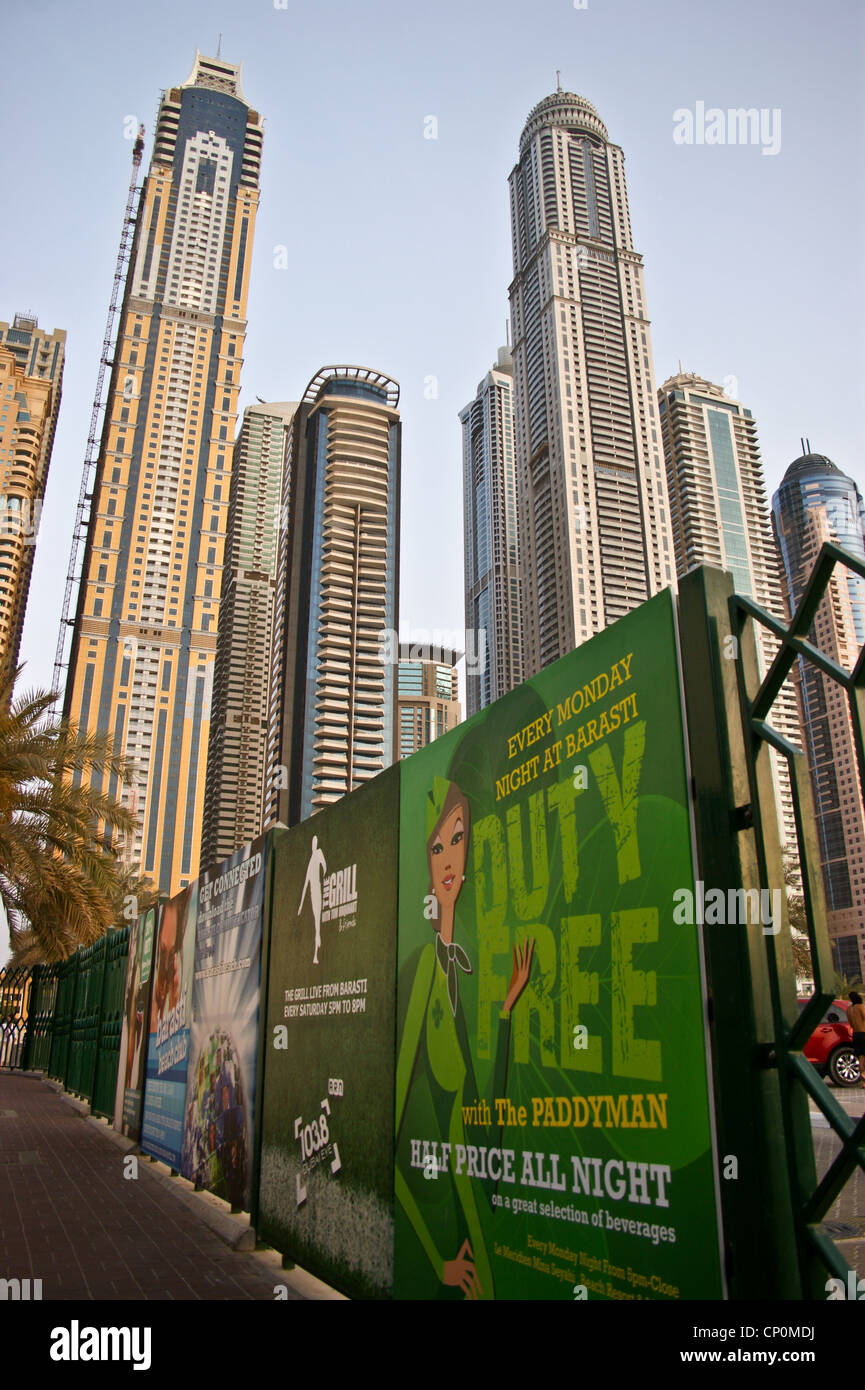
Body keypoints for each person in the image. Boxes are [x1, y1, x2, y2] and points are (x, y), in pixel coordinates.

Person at [395, 776, 534, 1300]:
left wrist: (504, 1014)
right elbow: (393, 1141)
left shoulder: (462, 975)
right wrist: (436, 1261)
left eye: (458, 838)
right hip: (444, 1240)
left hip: (475, 1227)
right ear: (427, 864)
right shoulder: (420, 972)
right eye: (437, 846)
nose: (449, 858)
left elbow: (484, 1124)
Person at [848, 992, 865, 1089]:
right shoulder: (861, 1007)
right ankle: (864, 1076)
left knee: (860, 1056)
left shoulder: (849, 1009)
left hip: (855, 1034)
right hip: (863, 1033)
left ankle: (863, 1082)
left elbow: (851, 1024)